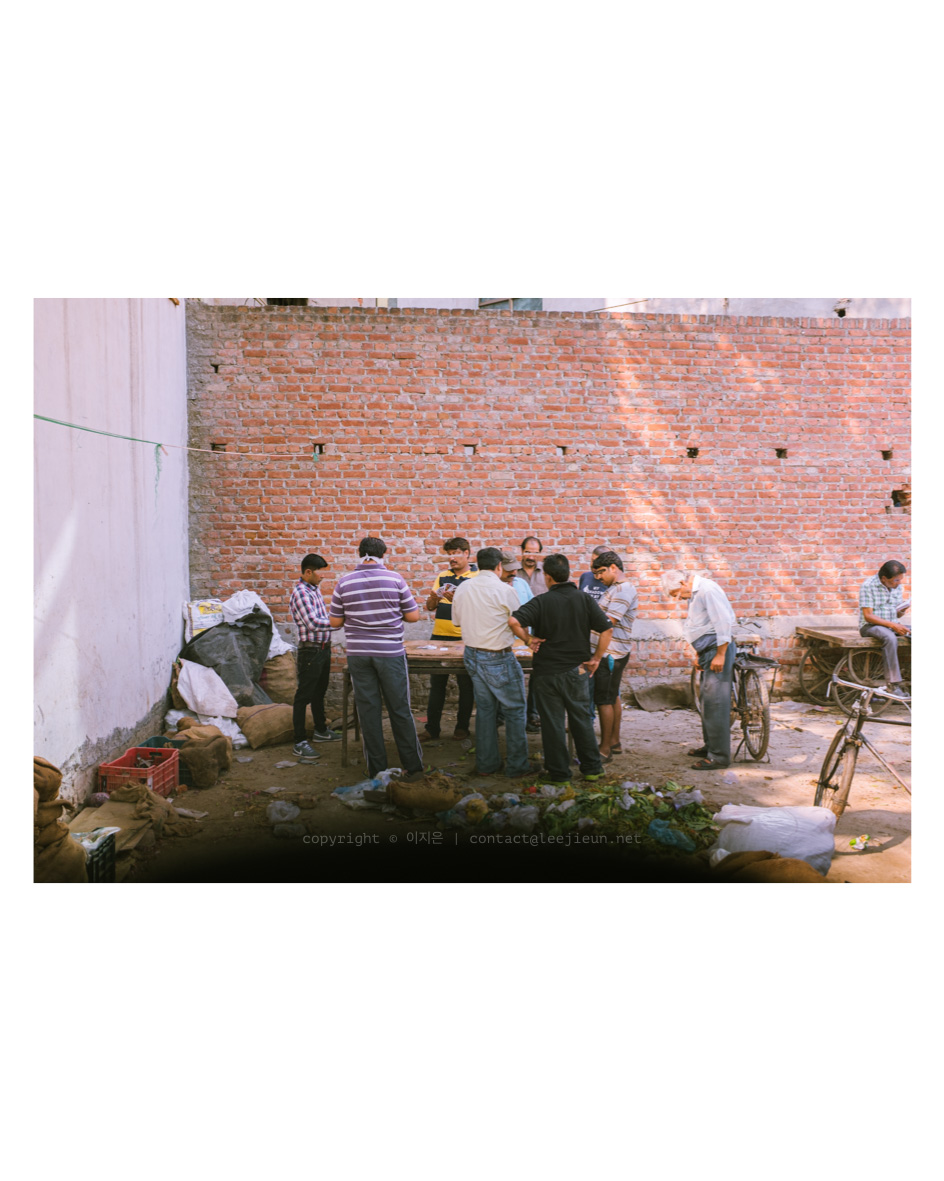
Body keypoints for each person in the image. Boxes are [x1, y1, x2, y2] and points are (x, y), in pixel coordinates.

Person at [509, 553, 612, 784]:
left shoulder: (541, 601)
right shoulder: (584, 599)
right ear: (567, 574)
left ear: (547, 577)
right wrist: (596, 658)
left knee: (552, 724)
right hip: (577, 671)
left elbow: (514, 622)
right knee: (582, 720)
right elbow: (607, 629)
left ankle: (559, 774)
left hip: (547, 674)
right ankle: (592, 769)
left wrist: (528, 640)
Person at [328, 537, 425, 784]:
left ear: (359, 553)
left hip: (358, 655)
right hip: (390, 654)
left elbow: (335, 622)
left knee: (368, 712)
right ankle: (413, 768)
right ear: (383, 554)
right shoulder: (395, 579)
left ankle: (377, 771)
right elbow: (413, 617)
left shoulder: (344, 582)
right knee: (399, 709)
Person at [451, 547, 536, 778]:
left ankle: (486, 764)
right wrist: (529, 640)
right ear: (499, 566)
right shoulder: (505, 590)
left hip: (472, 654)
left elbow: (456, 622)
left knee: (485, 710)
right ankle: (517, 765)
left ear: (477, 564)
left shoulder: (463, 587)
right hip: (497, 655)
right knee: (515, 709)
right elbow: (519, 623)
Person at [661, 569, 737, 770]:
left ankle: (719, 756)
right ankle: (710, 746)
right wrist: (698, 654)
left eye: (677, 594)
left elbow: (723, 622)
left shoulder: (707, 590)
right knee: (707, 701)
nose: (678, 599)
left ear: (682, 583)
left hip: (716, 649)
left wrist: (720, 654)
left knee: (716, 703)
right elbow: (699, 624)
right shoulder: (695, 593)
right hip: (707, 651)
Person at [420, 537, 478, 741]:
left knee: (466, 685)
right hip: (439, 637)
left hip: (464, 637)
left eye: (456, 553)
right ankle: (432, 728)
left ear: (466, 553)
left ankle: (462, 727)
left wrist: (459, 600)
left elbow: (479, 609)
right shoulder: (443, 576)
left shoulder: (476, 577)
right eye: (449, 554)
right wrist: (435, 598)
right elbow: (430, 607)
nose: (452, 558)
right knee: (437, 684)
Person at [588, 551, 638, 760]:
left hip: (610, 654)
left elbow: (608, 623)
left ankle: (604, 749)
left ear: (614, 568)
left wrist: (596, 656)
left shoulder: (623, 590)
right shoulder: (615, 588)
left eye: (601, 572)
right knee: (612, 696)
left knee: (604, 700)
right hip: (612, 652)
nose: (598, 577)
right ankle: (614, 741)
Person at [288, 552, 338, 763]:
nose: (322, 576)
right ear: (308, 572)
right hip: (311, 651)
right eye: (320, 573)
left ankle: (321, 730)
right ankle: (299, 742)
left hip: (323, 649)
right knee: (303, 697)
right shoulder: (301, 593)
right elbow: (312, 623)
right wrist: (338, 622)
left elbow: (321, 618)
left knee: (319, 692)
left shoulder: (313, 590)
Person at [858, 560, 910, 695]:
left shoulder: (896, 587)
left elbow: (897, 614)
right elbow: (868, 616)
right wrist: (893, 625)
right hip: (870, 626)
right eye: (896, 580)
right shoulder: (868, 586)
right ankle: (893, 686)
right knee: (890, 638)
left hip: (892, 624)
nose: (899, 583)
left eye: (900, 580)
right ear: (884, 578)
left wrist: (903, 609)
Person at [518, 536, 547, 731]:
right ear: (521, 552)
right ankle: (514, 713)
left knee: (538, 670)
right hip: (518, 627)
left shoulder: (546, 573)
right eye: (527, 551)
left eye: (535, 552)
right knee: (516, 669)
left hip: (540, 628)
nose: (530, 556)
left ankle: (533, 713)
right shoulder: (513, 572)